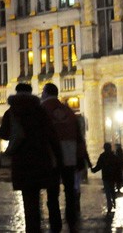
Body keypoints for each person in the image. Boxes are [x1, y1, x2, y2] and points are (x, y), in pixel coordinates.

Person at [0, 83, 61, 233]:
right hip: (40, 159)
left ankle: (31, 229)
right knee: (37, 196)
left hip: (21, 161)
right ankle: (37, 227)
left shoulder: (12, 111)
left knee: (29, 200)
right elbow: (51, 134)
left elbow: (3, 133)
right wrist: (57, 158)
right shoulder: (40, 111)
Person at [41, 83, 88, 233]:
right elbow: (79, 136)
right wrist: (81, 157)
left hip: (52, 157)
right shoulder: (68, 111)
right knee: (69, 191)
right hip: (70, 156)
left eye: (43, 92)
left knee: (53, 193)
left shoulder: (43, 110)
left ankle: (56, 225)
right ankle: (71, 220)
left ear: (46, 93)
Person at [90, 143, 119, 213]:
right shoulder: (114, 156)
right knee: (112, 190)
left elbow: (99, 166)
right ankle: (114, 201)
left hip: (106, 176)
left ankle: (109, 205)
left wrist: (93, 170)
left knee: (107, 191)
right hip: (112, 176)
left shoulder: (102, 156)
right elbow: (117, 167)